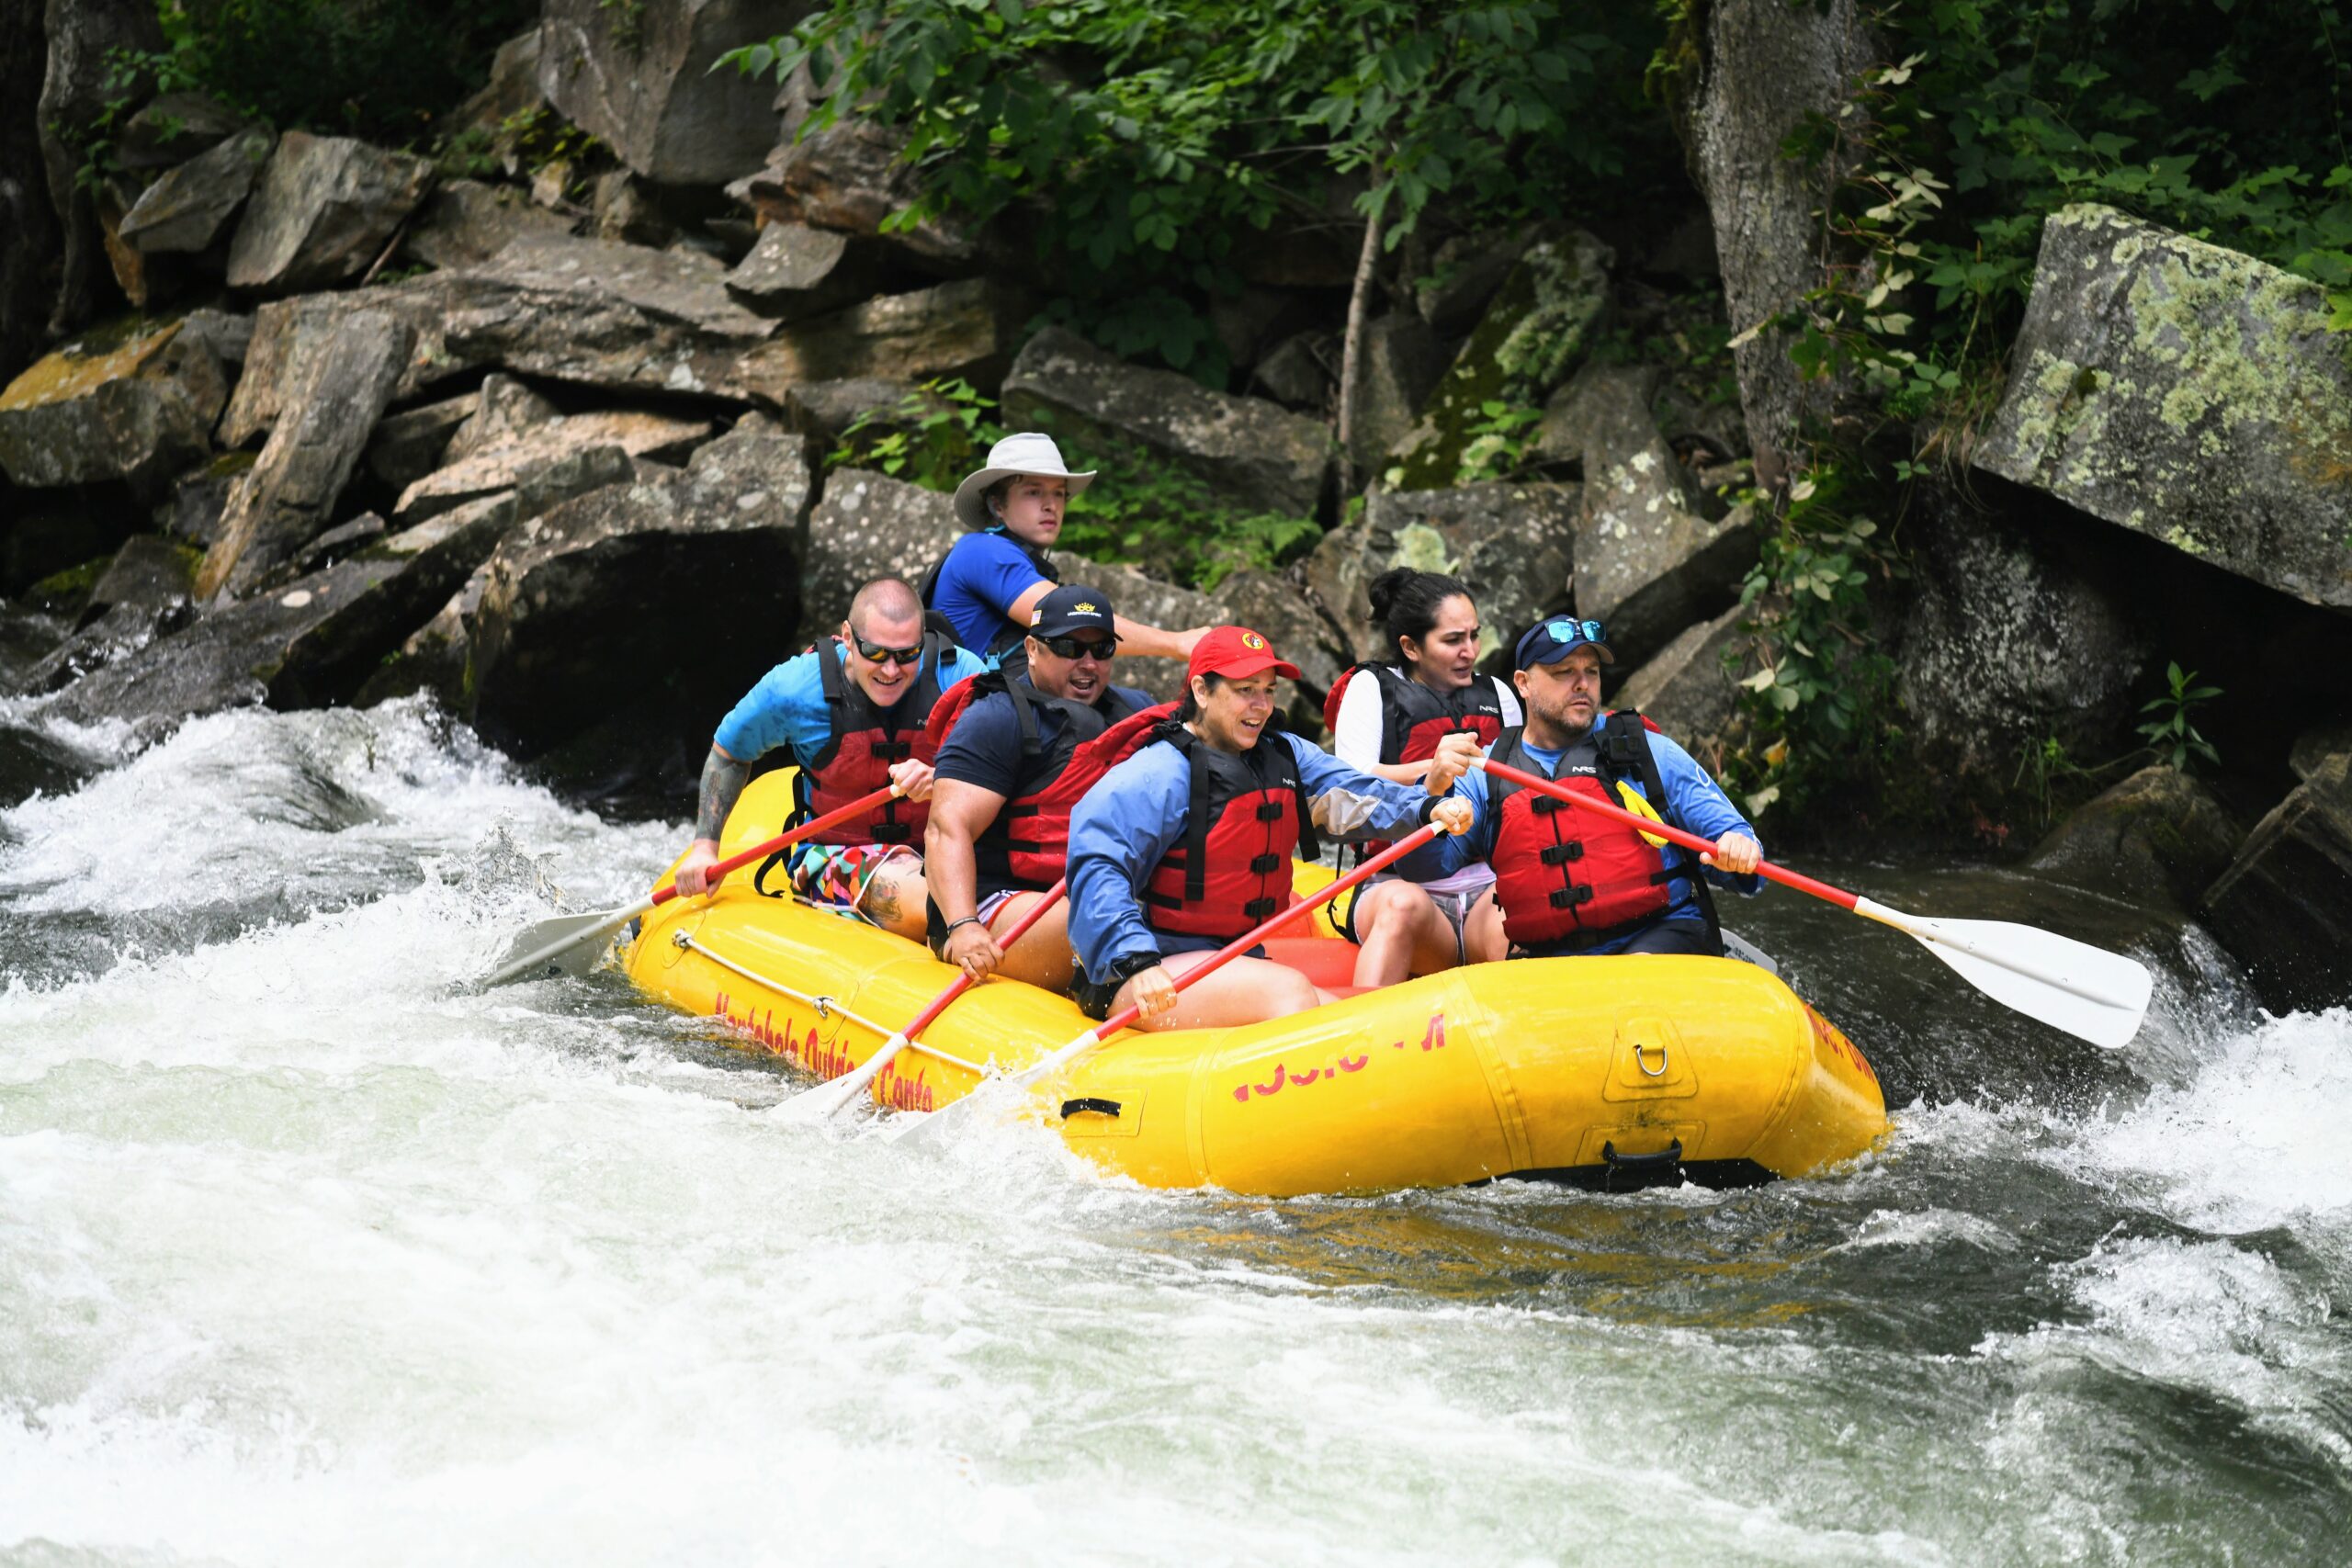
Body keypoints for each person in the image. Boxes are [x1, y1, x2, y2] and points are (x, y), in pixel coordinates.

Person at [1066, 626, 1476, 1032]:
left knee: (1364, 1024)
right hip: (1145, 973)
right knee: (1291, 994)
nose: (1260, 706)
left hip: (1234, 958)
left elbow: (1358, 793)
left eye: (1269, 690)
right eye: (1245, 689)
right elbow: (1099, 864)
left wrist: (1427, 808)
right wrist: (1134, 960)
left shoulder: (1283, 753)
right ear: (1202, 691)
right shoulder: (1158, 772)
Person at [1418, 616, 1763, 960]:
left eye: (1592, 671)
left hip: (1661, 934)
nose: (1582, 683)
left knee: (1633, 977)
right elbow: (1425, 868)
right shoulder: (1485, 772)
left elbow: (1741, 849)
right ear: (1523, 684)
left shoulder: (1650, 752)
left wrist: (1739, 849)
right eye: (1564, 672)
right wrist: (1432, 792)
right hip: (1552, 958)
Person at [673, 577, 989, 939]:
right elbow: (729, 755)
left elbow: (1010, 763)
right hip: (836, 857)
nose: (891, 670)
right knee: (943, 899)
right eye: (876, 653)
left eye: (906, 655)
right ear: (849, 637)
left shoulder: (962, 676)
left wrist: (941, 777)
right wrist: (704, 847)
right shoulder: (794, 689)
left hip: (946, 849)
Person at [923, 584, 1165, 994]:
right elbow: (946, 827)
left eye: (1102, 649)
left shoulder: (1135, 711)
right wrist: (963, 925)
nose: (1088, 664)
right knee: (1101, 923)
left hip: (1099, 895)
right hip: (996, 903)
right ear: (1033, 649)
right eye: (1071, 648)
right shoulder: (997, 717)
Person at [1324, 568, 1523, 987]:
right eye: (1453, 640)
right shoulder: (1371, 688)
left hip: (1486, 885)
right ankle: (1359, 1041)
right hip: (1394, 882)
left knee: (1523, 902)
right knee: (1402, 904)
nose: (1470, 651)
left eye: (1474, 635)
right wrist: (1431, 769)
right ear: (1411, 647)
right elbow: (1347, 786)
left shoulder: (1500, 694)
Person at [922, 432, 1208, 671]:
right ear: (998, 506)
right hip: (974, 717)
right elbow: (1078, 623)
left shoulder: (1008, 554)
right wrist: (1175, 643)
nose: (1051, 505)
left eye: (1058, 493)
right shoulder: (985, 550)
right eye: (1034, 492)